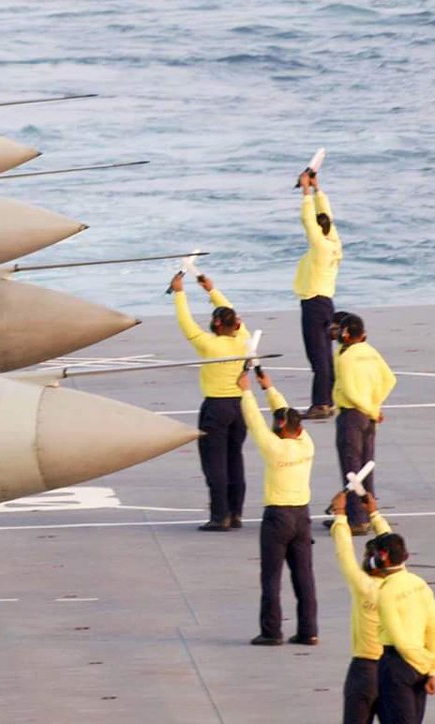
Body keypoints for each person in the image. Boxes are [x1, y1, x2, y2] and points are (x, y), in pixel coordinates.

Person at [241, 368, 317, 647]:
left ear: (283, 426)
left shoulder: (274, 449)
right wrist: (269, 388)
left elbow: (254, 421)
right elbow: (284, 414)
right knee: (304, 576)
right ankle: (309, 630)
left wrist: (246, 390)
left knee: (271, 577)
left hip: (278, 517)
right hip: (302, 515)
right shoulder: (307, 444)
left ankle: (272, 631)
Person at [169, 270, 250, 531]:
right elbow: (233, 316)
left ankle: (220, 516)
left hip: (216, 407)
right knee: (235, 459)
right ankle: (236, 513)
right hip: (240, 406)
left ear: (216, 324)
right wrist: (212, 291)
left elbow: (186, 323)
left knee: (215, 464)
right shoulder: (244, 341)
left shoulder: (209, 345)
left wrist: (179, 292)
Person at [330, 488, 393, 724]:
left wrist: (339, 514)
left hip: (365, 668)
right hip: (392, 669)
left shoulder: (363, 586)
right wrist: (375, 515)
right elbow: (392, 546)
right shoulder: (398, 583)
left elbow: (344, 551)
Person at [333, 314, 397, 534]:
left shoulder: (345, 357)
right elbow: (390, 379)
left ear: (346, 333)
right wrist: (375, 405)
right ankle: (369, 513)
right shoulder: (371, 352)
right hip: (370, 416)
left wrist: (369, 408)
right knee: (366, 466)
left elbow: (349, 392)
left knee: (351, 467)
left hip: (352, 414)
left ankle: (356, 518)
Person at [374, 532, 435, 723]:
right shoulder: (420, 584)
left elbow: (400, 641)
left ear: (384, 556)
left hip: (397, 666)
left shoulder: (386, 592)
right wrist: (431, 668)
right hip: (421, 669)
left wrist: (421, 662)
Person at [294, 171, 343, 419]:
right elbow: (327, 219)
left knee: (318, 356)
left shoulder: (321, 247)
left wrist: (305, 192)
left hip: (313, 303)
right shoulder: (333, 242)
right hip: (326, 302)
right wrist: (318, 190)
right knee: (325, 354)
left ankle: (321, 403)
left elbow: (308, 221)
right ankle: (330, 399)